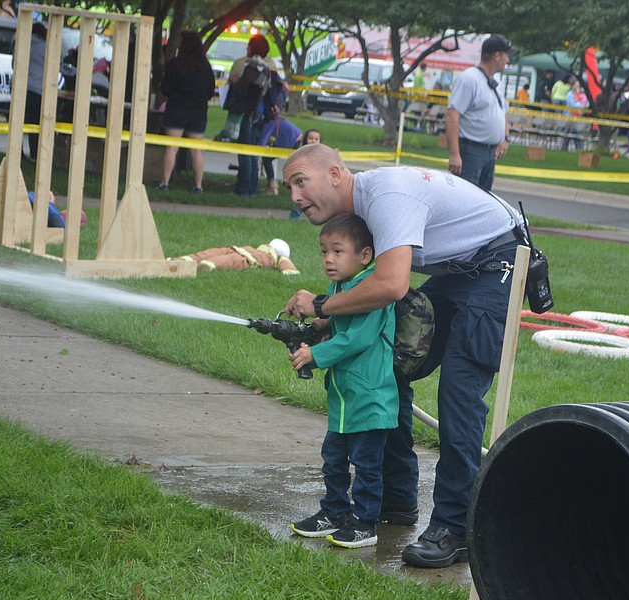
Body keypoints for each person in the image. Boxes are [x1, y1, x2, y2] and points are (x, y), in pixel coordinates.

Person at [282, 143, 529, 568]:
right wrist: (327, 325)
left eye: (301, 182)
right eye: (288, 187)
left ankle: (455, 527)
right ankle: (395, 501)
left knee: (459, 391)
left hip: (498, 262)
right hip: (458, 270)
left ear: (336, 175)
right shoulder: (365, 209)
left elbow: (392, 286)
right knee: (389, 369)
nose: (295, 197)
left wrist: (322, 308)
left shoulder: (386, 199)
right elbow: (375, 291)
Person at [288, 213, 398, 549]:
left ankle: (365, 523)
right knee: (333, 460)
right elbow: (340, 327)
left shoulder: (370, 290)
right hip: (344, 398)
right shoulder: (341, 288)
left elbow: (357, 339)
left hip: (370, 399)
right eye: (324, 252)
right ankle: (334, 513)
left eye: (337, 251)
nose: (328, 260)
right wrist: (319, 327)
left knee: (366, 467)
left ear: (364, 256)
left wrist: (315, 356)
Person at [444, 34, 514, 192]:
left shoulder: (496, 82)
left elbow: (503, 111)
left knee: (483, 203)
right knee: (465, 200)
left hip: (489, 153)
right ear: (497, 56)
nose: (508, 60)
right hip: (471, 152)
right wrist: (455, 154)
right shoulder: (469, 79)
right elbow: (452, 115)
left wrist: (505, 137)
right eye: (506, 55)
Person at [158, 30, 216, 194]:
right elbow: (210, 90)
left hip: (176, 109)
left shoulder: (175, 64)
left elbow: (165, 87)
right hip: (198, 112)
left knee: (171, 148)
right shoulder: (205, 67)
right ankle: (198, 186)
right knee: (196, 151)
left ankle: (165, 182)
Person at [224, 34, 273, 197]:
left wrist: (235, 81)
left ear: (253, 48)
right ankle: (251, 188)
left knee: (245, 151)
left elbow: (244, 88)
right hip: (258, 111)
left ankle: (243, 189)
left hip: (248, 112)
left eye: (249, 46)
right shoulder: (266, 66)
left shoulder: (253, 66)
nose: (246, 49)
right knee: (252, 152)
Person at [170, 238, 299, 274]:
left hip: (235, 249)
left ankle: (181, 260)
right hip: (245, 259)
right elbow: (288, 267)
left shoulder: (259, 248)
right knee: (224, 261)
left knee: (208, 253)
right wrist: (291, 271)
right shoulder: (276, 258)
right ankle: (207, 265)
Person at [258, 115, 302, 195]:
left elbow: (262, 140)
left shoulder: (268, 122)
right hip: (295, 137)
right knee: (267, 158)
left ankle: (272, 186)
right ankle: (271, 184)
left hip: (292, 141)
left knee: (267, 159)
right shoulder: (275, 119)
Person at [22, 21, 47, 162]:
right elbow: (58, 66)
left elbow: (14, 64)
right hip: (37, 89)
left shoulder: (21, 43)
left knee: (18, 122)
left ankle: (16, 152)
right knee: (34, 123)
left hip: (20, 88)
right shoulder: (44, 47)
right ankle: (35, 153)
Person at [289, 128, 322, 221]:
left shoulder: (322, 155)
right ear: (305, 140)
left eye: (316, 139)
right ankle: (292, 220)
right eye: (310, 138)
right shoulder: (301, 154)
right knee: (299, 204)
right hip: (303, 186)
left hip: (316, 186)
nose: (313, 141)